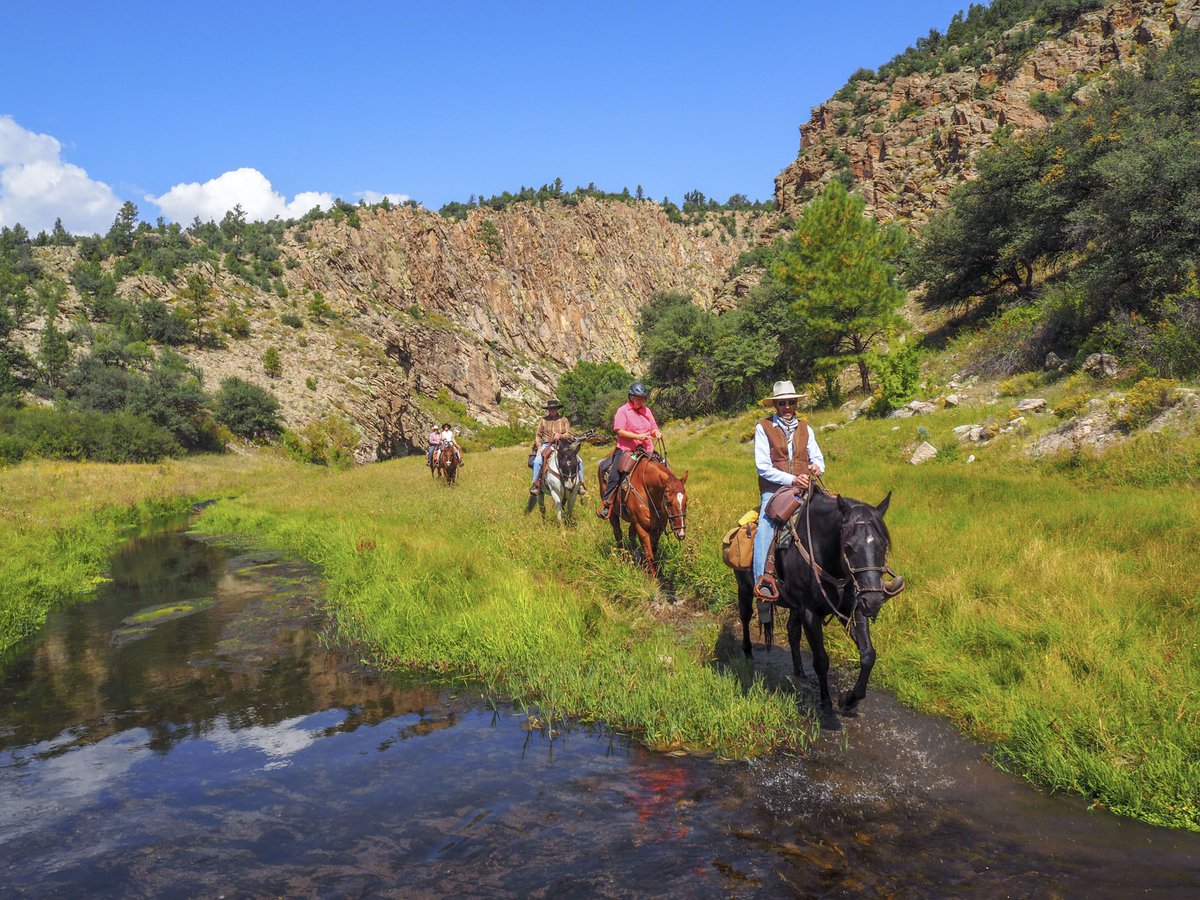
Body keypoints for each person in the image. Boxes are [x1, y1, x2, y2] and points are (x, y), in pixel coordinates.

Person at [752, 380, 825, 593]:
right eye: (782, 403)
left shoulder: (805, 428)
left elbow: (819, 458)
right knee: (766, 526)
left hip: (804, 489)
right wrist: (792, 480)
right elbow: (762, 467)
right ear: (775, 405)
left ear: (796, 404)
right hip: (775, 490)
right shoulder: (763, 427)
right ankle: (762, 582)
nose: (787, 408)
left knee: (833, 513)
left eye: (791, 403)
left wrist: (816, 467)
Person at [597, 381, 660, 520]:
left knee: (664, 468)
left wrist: (656, 432)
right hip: (628, 450)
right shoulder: (622, 410)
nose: (640, 401)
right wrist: (638, 436)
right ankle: (607, 503)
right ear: (631, 397)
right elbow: (619, 431)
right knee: (615, 475)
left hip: (647, 449)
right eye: (638, 398)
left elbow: (653, 427)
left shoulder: (647, 411)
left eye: (643, 398)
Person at [530, 399, 583, 495]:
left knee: (579, 461)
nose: (552, 410)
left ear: (557, 409)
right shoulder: (543, 420)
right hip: (547, 444)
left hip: (563, 445)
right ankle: (536, 485)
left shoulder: (564, 420)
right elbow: (538, 435)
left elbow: (569, 434)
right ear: (548, 410)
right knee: (538, 461)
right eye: (550, 409)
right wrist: (539, 447)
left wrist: (560, 436)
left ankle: (580, 484)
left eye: (554, 408)